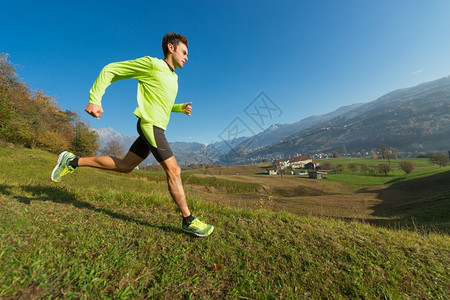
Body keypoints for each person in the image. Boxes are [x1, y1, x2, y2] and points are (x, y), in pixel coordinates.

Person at [51, 32, 214, 237]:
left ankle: (72, 161)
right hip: (150, 126)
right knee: (174, 171)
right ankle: (188, 220)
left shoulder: (173, 77)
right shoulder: (152, 65)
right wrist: (95, 98)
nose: (187, 57)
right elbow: (111, 69)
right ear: (171, 48)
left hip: (156, 127)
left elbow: (161, 102)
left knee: (125, 166)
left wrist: (178, 107)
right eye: (184, 52)